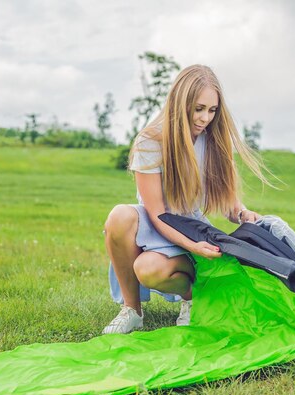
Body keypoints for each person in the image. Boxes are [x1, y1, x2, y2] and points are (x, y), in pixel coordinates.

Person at [102, 64, 272, 334]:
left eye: (212, 110)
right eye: (198, 108)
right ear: (180, 103)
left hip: (191, 225)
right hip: (157, 221)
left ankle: (194, 298)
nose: (205, 118)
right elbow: (157, 212)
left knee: (148, 269)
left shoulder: (213, 141)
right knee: (119, 216)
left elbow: (224, 199)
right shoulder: (150, 141)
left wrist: (241, 213)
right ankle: (131, 311)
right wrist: (192, 246)